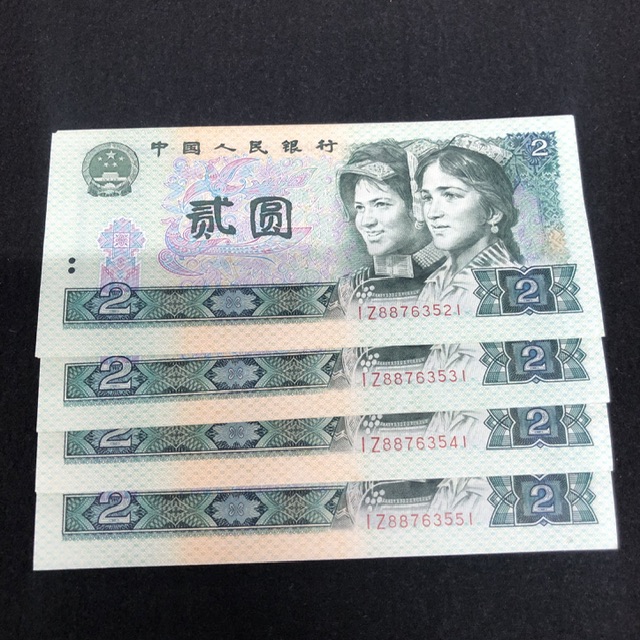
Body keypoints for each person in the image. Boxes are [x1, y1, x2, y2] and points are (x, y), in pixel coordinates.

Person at [414, 136, 524, 381]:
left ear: (493, 212)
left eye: (451, 195)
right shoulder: (436, 281)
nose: (433, 213)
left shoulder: (506, 287)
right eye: (427, 198)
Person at [332, 139, 444, 315]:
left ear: (417, 206)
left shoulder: (461, 276)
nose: (366, 221)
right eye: (360, 208)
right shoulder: (351, 287)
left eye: (381, 204)